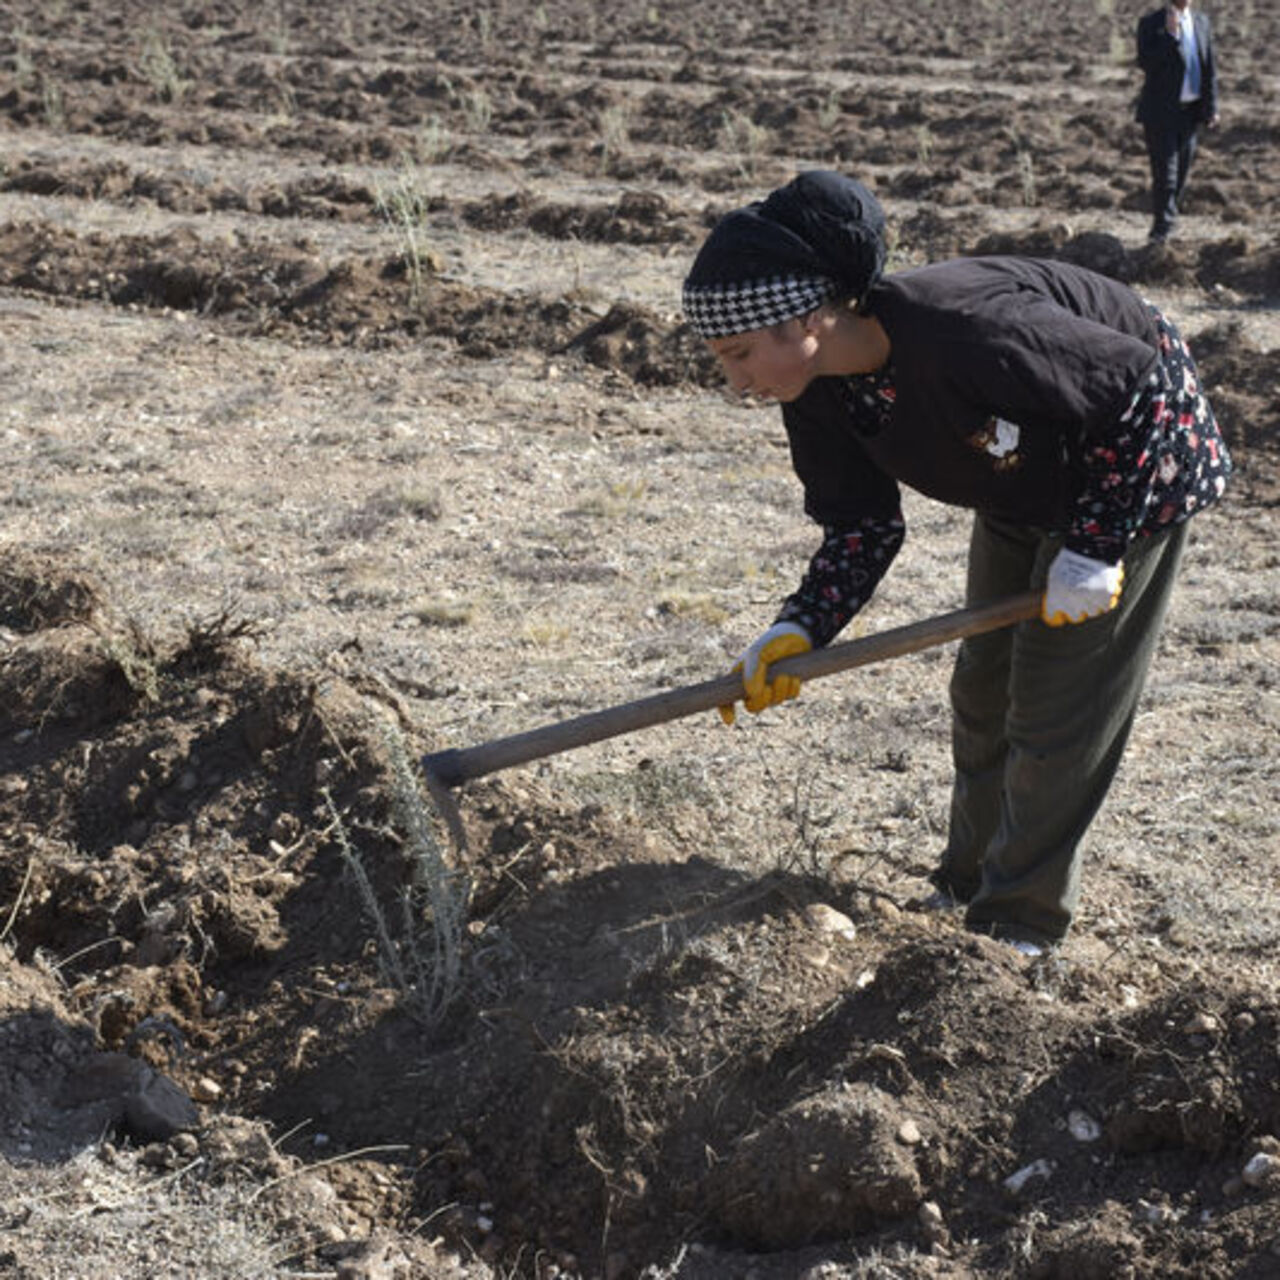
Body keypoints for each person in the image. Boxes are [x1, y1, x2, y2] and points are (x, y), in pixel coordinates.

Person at [681, 170, 1231, 957]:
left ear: (807, 317)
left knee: (1055, 711)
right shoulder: (816, 390)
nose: (734, 381)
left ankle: (1018, 927)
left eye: (737, 354)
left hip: (1134, 469)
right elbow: (861, 525)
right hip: (1020, 480)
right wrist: (800, 627)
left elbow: (1144, 389)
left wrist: (1100, 543)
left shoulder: (965, 330)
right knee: (983, 690)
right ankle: (966, 883)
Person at [1136, 0, 1219, 244]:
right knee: (1166, 174)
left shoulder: (1201, 22)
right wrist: (1171, 37)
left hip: (1190, 111)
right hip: (1161, 112)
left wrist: (1211, 107)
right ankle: (1161, 229)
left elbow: (1209, 68)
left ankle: (1168, 220)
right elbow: (1146, 63)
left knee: (1182, 170)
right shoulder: (1152, 23)